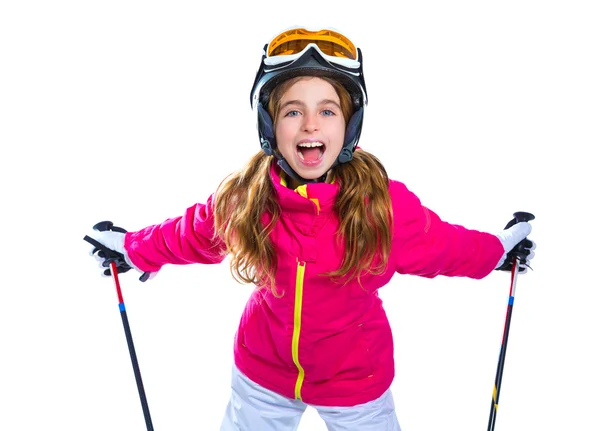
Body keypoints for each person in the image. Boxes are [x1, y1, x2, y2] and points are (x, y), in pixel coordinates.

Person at [86, 27, 536, 431]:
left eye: (327, 111)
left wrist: (496, 252)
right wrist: (134, 249)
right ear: (269, 125)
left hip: (355, 379)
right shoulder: (248, 198)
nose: (310, 125)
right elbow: (193, 232)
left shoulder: (381, 205)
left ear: (349, 125)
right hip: (263, 371)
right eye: (292, 112)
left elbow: (443, 245)